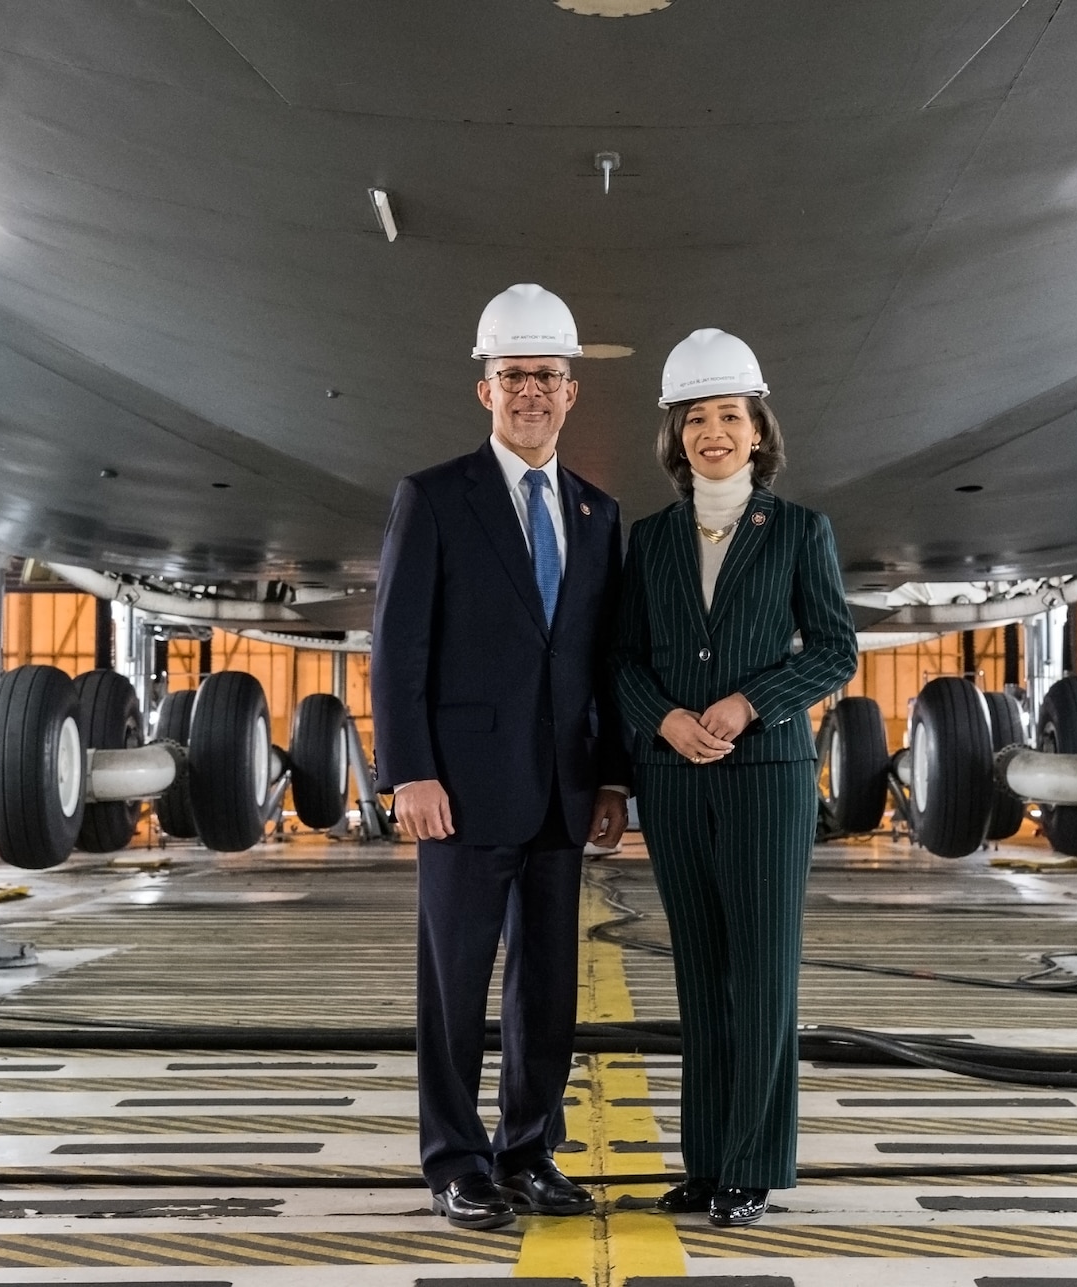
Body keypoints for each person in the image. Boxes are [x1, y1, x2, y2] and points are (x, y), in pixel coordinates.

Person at [371, 283, 631, 1231]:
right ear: (486, 390)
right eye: (513, 375)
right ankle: (455, 1159)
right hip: (461, 790)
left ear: (573, 394)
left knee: (547, 990)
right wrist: (410, 771)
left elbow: (604, 660)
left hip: (563, 791)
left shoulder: (601, 516)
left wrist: (612, 775)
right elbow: (398, 646)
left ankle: (529, 1150)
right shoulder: (435, 498)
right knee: (454, 986)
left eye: (547, 378)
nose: (531, 392)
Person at [612, 328, 858, 1228]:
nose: (712, 433)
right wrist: (667, 718)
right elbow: (624, 659)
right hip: (675, 779)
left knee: (762, 974)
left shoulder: (797, 531)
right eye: (695, 420)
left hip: (766, 775)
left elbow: (836, 649)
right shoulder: (653, 539)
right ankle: (706, 1159)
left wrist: (751, 703)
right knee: (699, 973)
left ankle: (753, 1163)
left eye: (729, 416)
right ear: (675, 437)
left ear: (759, 429)